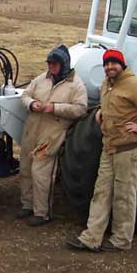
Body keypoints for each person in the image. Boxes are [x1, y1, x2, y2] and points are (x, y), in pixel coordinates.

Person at [67, 49, 137, 252]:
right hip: (110, 146)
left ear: (122, 65)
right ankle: (91, 238)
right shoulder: (107, 84)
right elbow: (114, 103)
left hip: (129, 148)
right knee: (101, 192)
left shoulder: (135, 85)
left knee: (124, 195)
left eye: (114, 63)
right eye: (106, 64)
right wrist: (101, 111)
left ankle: (121, 240)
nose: (109, 67)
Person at [18, 45, 88, 226]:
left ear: (63, 64)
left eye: (54, 64)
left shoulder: (76, 84)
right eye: (49, 63)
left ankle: (41, 212)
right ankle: (27, 205)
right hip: (32, 129)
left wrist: (54, 108)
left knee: (41, 172)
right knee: (26, 167)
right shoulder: (42, 78)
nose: (50, 67)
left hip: (52, 134)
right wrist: (32, 104)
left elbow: (80, 109)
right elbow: (25, 95)